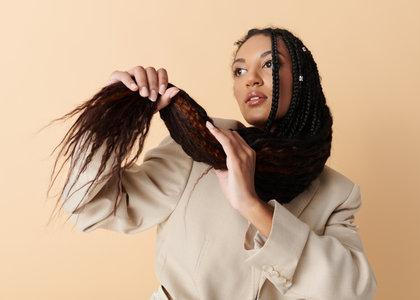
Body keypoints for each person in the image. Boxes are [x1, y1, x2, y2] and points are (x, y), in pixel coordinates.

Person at [62, 27, 377, 299]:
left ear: (302, 77)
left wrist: (252, 206)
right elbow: (88, 207)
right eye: (239, 71)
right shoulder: (196, 149)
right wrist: (113, 114)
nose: (250, 79)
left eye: (269, 65)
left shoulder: (337, 193)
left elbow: (353, 291)